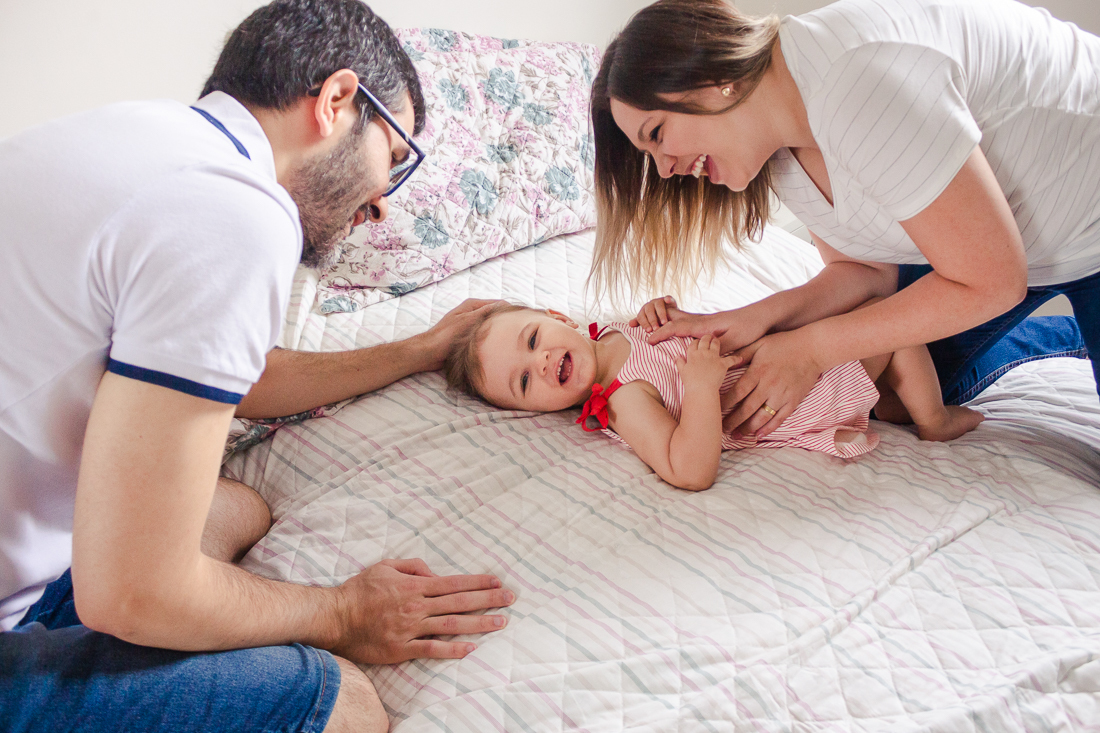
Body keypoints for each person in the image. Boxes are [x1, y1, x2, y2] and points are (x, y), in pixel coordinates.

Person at [0, 1, 514, 731]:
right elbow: (132, 594)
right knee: (344, 702)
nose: (381, 207)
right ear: (337, 101)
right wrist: (343, 612)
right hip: (63, 605)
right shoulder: (238, 213)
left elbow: (237, 379)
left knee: (237, 505)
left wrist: (416, 350)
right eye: (393, 158)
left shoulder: (140, 136)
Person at [588, 0, 1097, 442]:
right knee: (888, 385)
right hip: (1008, 246)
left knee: (863, 352)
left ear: (713, 79)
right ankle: (1062, 333)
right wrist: (756, 318)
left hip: (1074, 229)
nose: (664, 170)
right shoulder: (776, 142)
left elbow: (992, 281)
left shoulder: (854, 84)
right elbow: (867, 271)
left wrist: (808, 349)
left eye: (657, 134)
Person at [443, 297, 983, 491]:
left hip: (779, 361)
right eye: (524, 382)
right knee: (888, 325)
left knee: (875, 341)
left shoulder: (613, 334)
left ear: (558, 317)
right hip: (784, 398)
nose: (540, 362)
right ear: (531, 411)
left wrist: (664, 313)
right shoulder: (622, 399)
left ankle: (896, 407)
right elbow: (689, 469)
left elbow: (678, 345)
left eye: (533, 339)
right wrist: (700, 388)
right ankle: (933, 421)